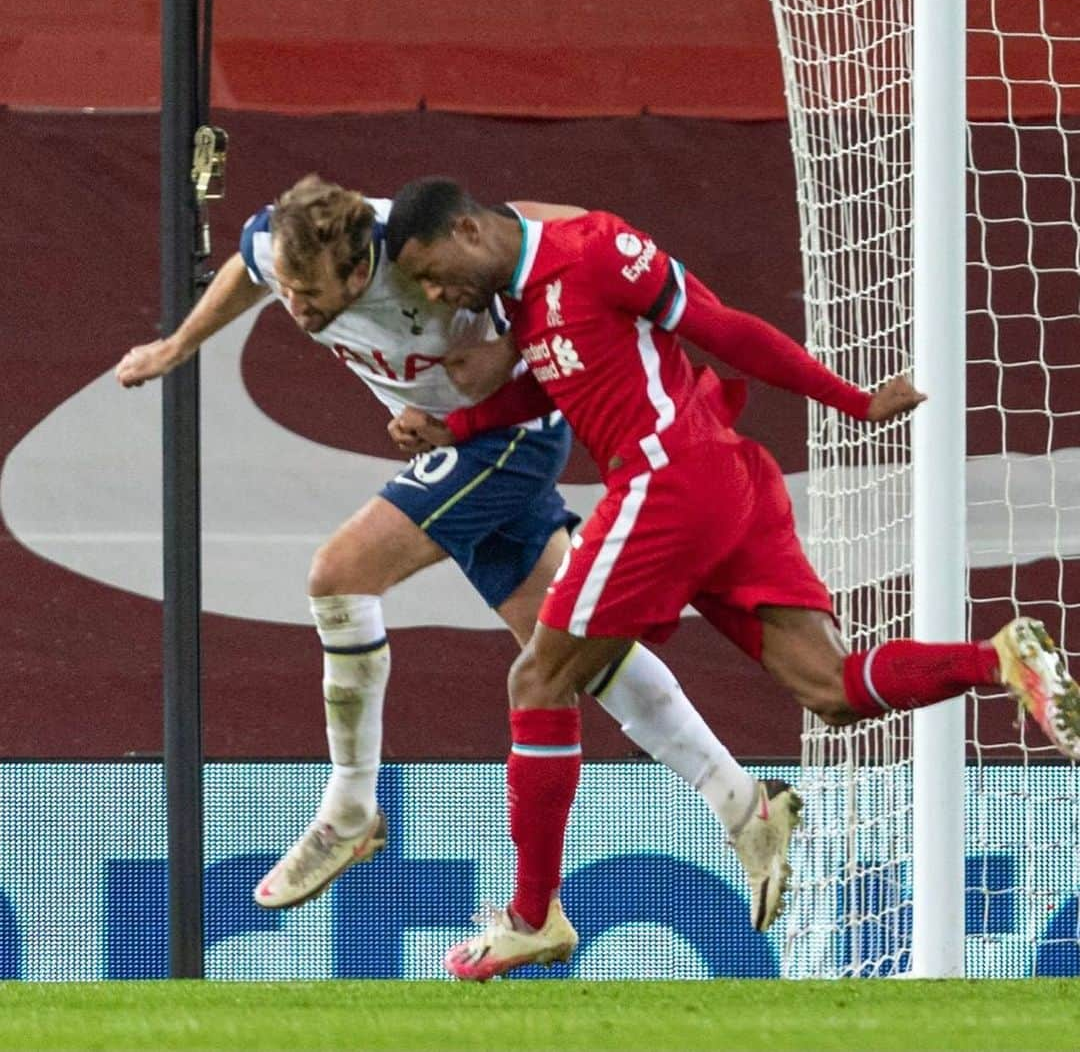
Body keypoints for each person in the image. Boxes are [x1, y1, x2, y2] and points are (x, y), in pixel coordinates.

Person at [386, 176, 1080, 982]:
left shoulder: (597, 249)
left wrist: (850, 399)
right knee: (830, 688)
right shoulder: (529, 308)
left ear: (467, 229)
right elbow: (554, 382)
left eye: (432, 272)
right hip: (719, 481)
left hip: (667, 480)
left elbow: (725, 328)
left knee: (539, 678)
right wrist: (455, 426)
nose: (438, 294)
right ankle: (1000, 658)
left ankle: (532, 915)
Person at [115, 173, 801, 929]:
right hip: (458, 442)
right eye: (290, 292)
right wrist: (178, 345)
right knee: (575, 652)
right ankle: (745, 806)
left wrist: (510, 345)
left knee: (339, 575)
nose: (299, 310)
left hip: (510, 439)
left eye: (311, 294)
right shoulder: (281, 246)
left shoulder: (416, 253)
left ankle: (349, 805)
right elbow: (250, 269)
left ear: (358, 269)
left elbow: (557, 227)